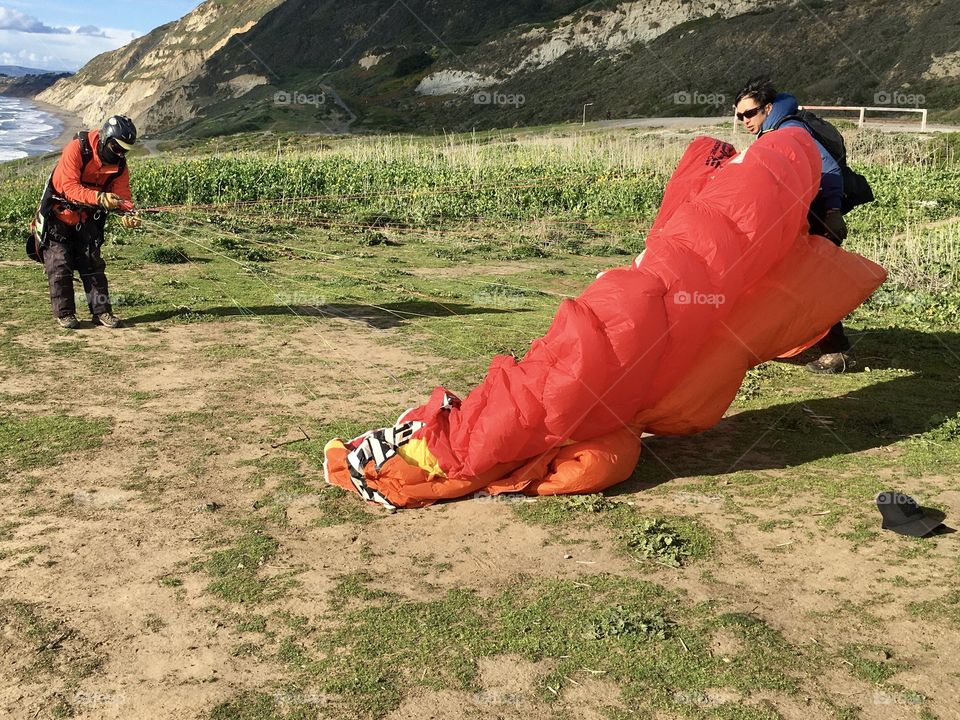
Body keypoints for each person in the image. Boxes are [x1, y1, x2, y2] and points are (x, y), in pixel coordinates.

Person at [734, 77, 855, 374]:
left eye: (750, 113)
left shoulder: (792, 130)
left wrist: (833, 211)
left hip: (817, 218)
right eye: (740, 116)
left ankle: (837, 352)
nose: (745, 121)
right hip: (801, 219)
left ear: (768, 108)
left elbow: (828, 170)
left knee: (809, 284)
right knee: (788, 281)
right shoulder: (775, 131)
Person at [31, 115, 142, 329]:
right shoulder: (77, 149)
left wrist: (130, 213)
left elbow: (123, 197)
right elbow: (69, 188)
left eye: (124, 150)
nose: (119, 154)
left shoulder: (120, 167)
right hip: (58, 216)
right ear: (104, 139)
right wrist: (100, 198)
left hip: (87, 220)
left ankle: (101, 312)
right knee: (59, 264)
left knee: (92, 264)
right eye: (116, 147)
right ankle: (65, 314)